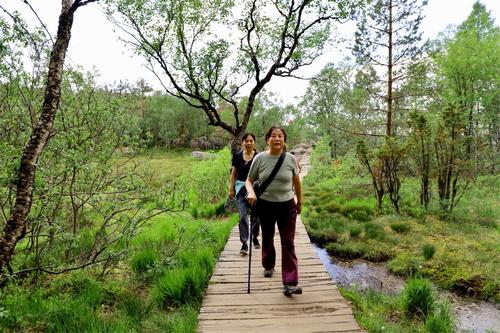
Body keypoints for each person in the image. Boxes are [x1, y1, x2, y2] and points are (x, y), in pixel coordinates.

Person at [245, 126, 303, 296]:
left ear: (284, 139)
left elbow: (297, 182)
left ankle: (290, 282)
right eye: (273, 136)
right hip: (266, 205)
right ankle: (268, 265)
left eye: (280, 136)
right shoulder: (260, 159)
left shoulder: (291, 159)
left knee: (288, 242)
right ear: (268, 139)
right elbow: (249, 180)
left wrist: (300, 202)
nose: (277, 139)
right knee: (268, 237)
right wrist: (251, 192)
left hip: (287, 206)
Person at [229, 133, 260, 256]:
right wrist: (231, 189)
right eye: (246, 141)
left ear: (254, 142)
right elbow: (233, 173)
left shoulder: (258, 156)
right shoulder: (237, 156)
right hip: (241, 189)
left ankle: (255, 236)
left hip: (255, 190)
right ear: (242, 142)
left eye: (251, 140)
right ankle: (244, 243)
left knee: (256, 217)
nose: (248, 143)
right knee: (242, 216)